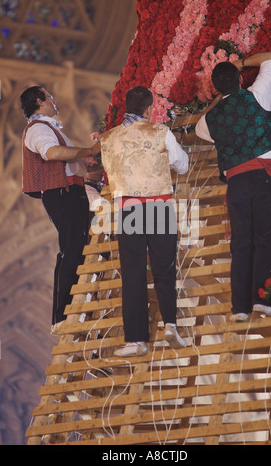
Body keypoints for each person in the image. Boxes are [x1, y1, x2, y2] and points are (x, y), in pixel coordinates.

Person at [196, 52, 271, 322]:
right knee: (267, 239)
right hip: (266, 176)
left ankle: (240, 308)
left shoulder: (208, 121)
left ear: (215, 88)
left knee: (241, 243)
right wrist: (241, 63)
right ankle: (262, 299)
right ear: (239, 79)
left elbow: (203, 123)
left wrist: (218, 97)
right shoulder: (257, 94)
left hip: (236, 183)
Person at [100, 86, 189, 357]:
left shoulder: (108, 138)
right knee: (164, 268)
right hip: (159, 205)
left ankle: (136, 340)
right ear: (149, 109)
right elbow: (182, 165)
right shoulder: (161, 132)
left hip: (128, 209)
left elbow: (110, 169)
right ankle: (171, 324)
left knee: (133, 273)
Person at [20, 86, 101, 334]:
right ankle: (63, 313)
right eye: (50, 97)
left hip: (72, 191)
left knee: (74, 247)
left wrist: (88, 160)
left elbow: (69, 161)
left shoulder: (50, 128)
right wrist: (88, 151)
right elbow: (52, 153)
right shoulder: (39, 129)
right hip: (62, 193)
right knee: (72, 248)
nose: (55, 101)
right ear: (39, 101)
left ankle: (69, 310)